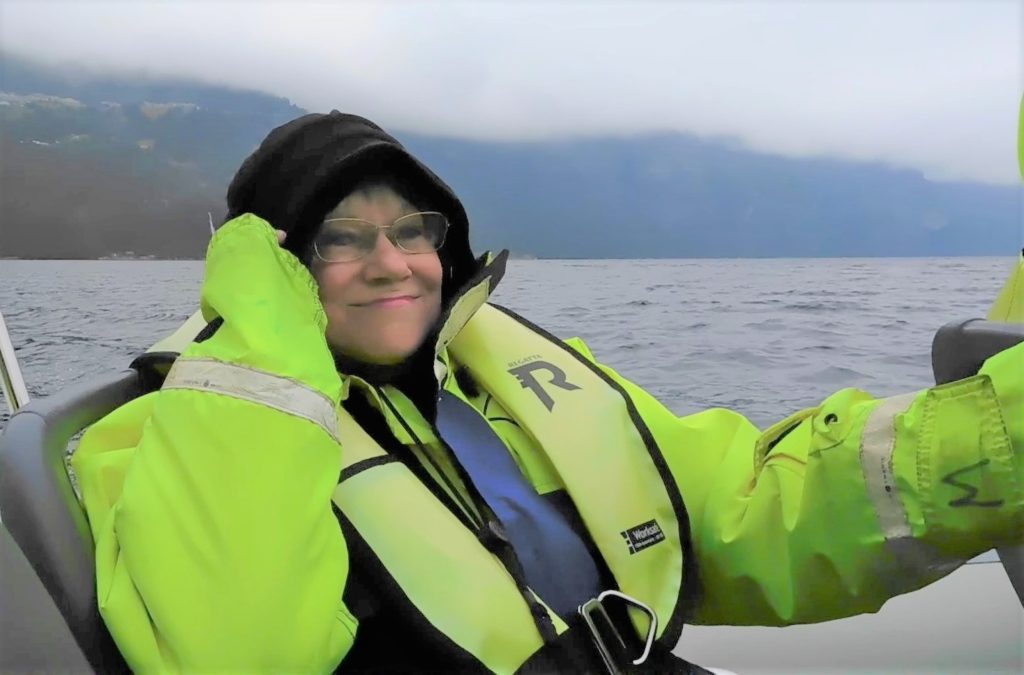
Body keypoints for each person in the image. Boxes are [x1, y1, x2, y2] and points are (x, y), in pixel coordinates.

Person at [71, 111, 1024, 674]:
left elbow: (743, 511)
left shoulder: (509, 389)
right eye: (339, 236)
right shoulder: (167, 438)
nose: (392, 264)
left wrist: (1002, 439)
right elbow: (238, 649)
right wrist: (265, 351)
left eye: (413, 229)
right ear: (273, 267)